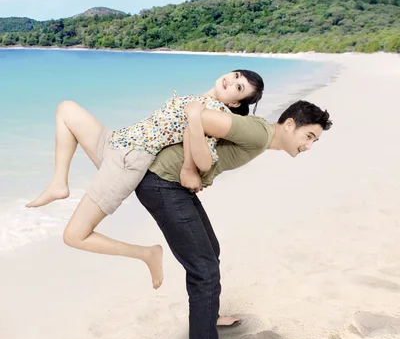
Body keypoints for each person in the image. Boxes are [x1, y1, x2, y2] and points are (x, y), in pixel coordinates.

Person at [135, 100, 333, 339]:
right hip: (163, 184)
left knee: (209, 253)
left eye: (314, 141)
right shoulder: (257, 132)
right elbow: (198, 117)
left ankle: (208, 315)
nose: (309, 146)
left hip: (172, 185)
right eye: (309, 137)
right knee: (204, 273)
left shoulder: (261, 138)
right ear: (290, 124)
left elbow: (211, 142)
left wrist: (203, 173)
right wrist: (189, 168)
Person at [25, 70, 264, 289]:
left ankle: (146, 253)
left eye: (239, 87)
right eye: (235, 76)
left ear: (234, 103)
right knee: (66, 108)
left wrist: (194, 173)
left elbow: (206, 154)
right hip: (116, 141)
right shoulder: (198, 100)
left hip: (128, 161)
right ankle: (59, 183)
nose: (231, 81)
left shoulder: (214, 113)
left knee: (74, 236)